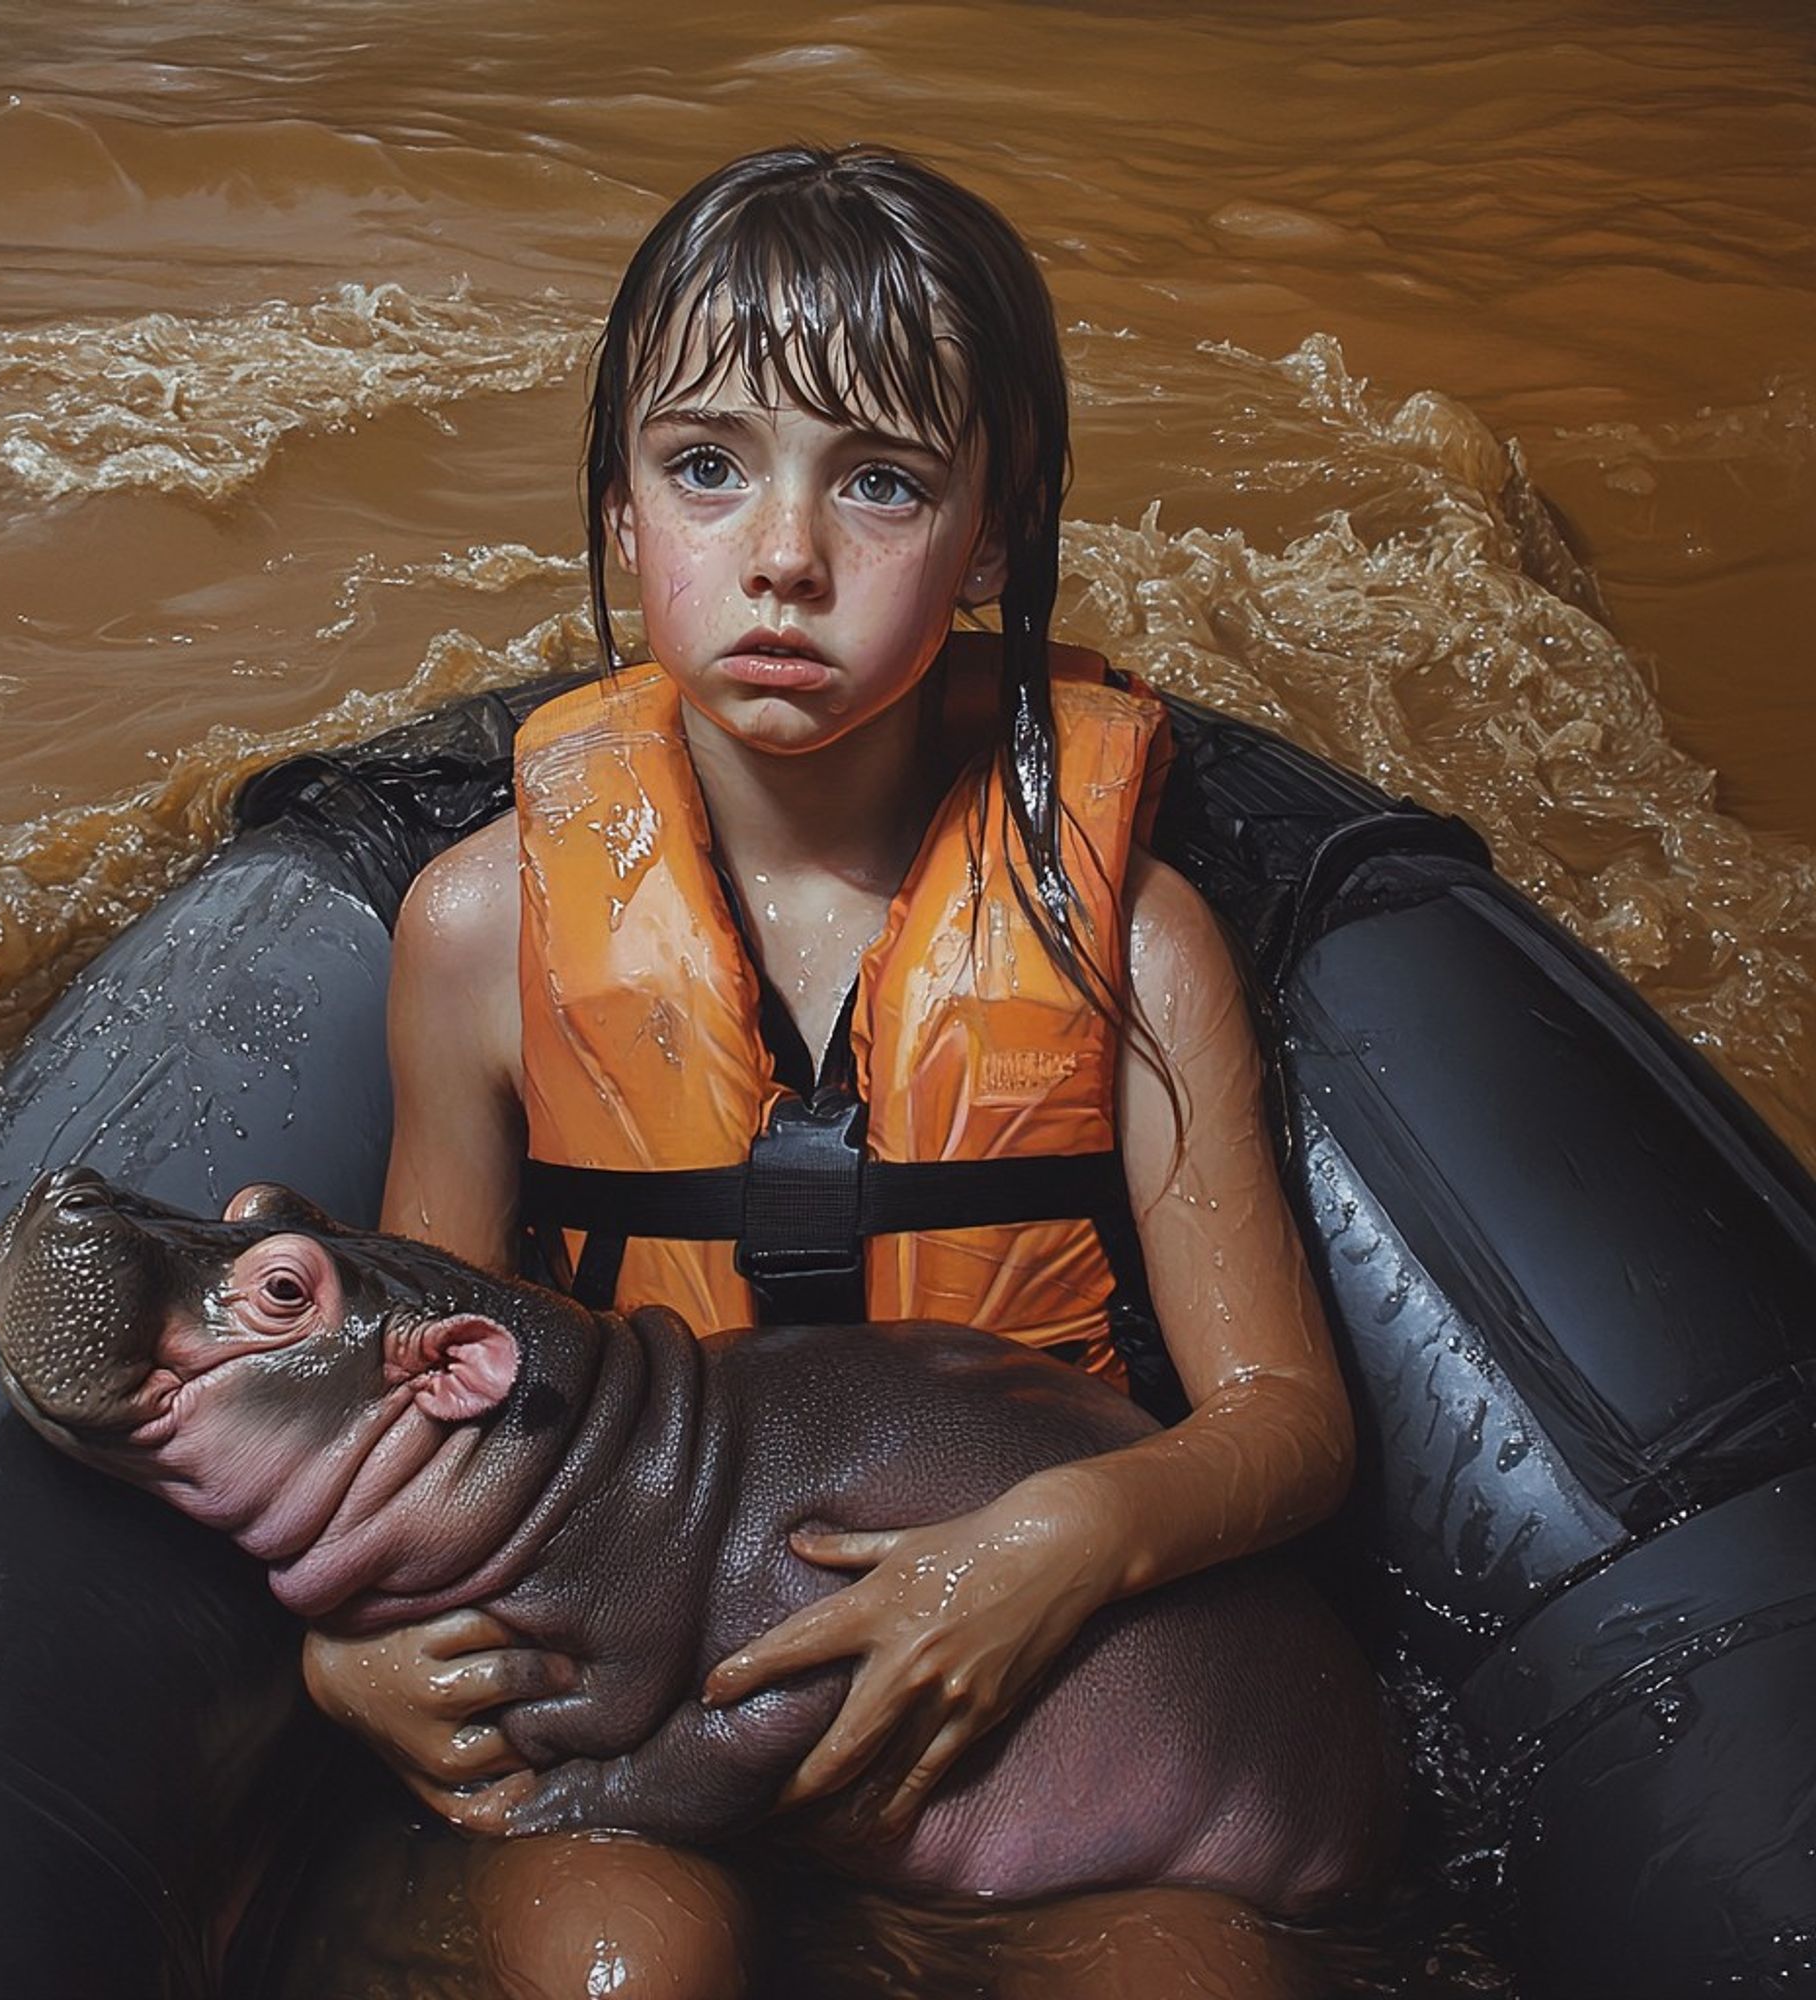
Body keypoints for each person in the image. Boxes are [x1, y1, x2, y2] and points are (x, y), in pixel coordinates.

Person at [303, 144, 1358, 2000]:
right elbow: (400, 1391)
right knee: (626, 1967)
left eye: (878, 484)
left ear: (999, 535)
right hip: (632, 1706)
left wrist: (1064, 1537)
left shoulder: (1137, 944)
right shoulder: (481, 938)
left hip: (1031, 1723)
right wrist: (351, 1665)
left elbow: (1285, 1415)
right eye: (706, 467)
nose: (781, 555)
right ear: (626, 518)